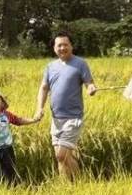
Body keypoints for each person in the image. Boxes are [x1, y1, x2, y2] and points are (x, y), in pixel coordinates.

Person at [34, 32, 97, 181]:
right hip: (56, 119)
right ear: (54, 48)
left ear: (71, 46)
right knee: (61, 158)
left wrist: (91, 89)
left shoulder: (80, 63)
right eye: (59, 45)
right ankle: (67, 187)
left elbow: (89, 82)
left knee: (61, 155)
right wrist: (39, 108)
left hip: (73, 118)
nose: (62, 48)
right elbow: (44, 88)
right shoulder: (50, 67)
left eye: (65, 44)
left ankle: (79, 184)